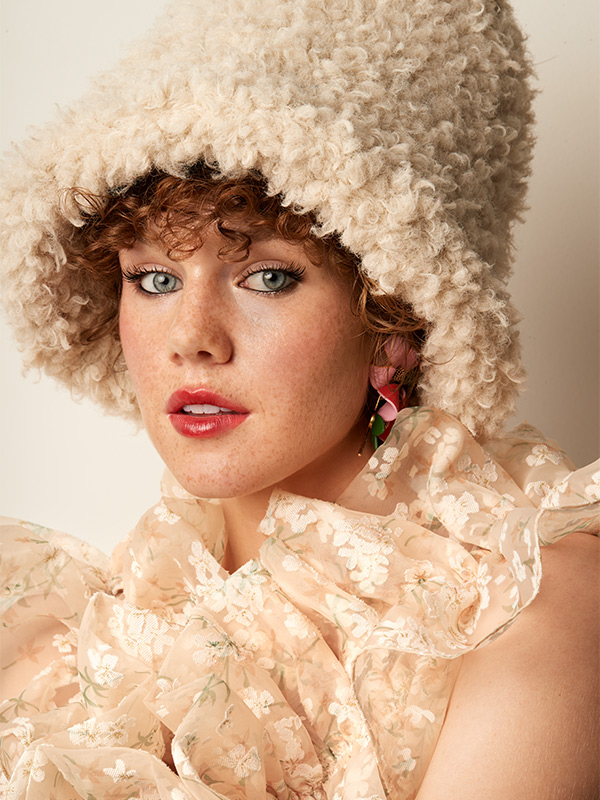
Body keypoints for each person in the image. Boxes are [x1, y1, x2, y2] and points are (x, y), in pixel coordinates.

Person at [0, 0, 597, 798]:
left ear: (395, 321)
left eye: (269, 277)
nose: (193, 338)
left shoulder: (529, 599)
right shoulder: (79, 631)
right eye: (155, 279)